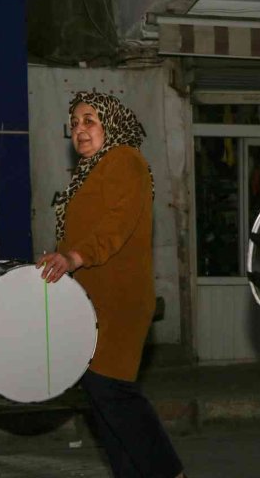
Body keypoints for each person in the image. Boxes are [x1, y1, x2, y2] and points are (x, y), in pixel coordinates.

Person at [36, 91, 186, 478]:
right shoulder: (88, 174)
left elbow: (116, 224)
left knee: (113, 393)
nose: (79, 130)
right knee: (101, 400)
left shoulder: (125, 161)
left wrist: (74, 258)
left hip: (118, 304)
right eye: (74, 124)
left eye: (89, 120)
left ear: (111, 122)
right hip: (90, 304)